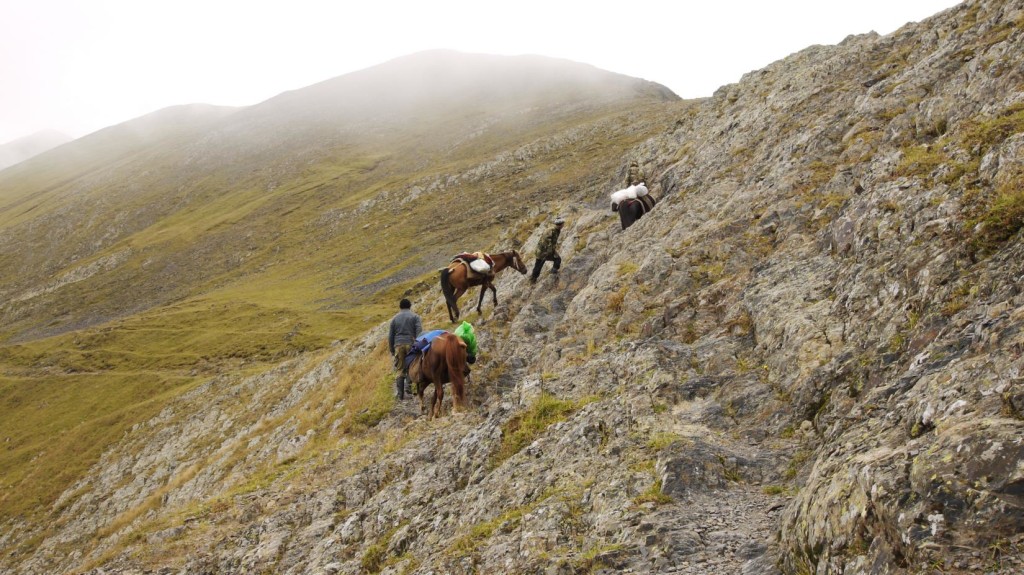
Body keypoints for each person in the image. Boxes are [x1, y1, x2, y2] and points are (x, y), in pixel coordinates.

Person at [388, 298, 422, 400]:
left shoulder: (394, 319)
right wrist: (419, 346)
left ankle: (400, 394)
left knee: (400, 368)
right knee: (411, 366)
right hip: (411, 344)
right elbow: (419, 332)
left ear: (400, 307)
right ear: (410, 306)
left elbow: (390, 336)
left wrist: (392, 349)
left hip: (398, 345)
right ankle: (408, 388)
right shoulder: (415, 317)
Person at [530, 217, 564, 283]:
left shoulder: (557, 230)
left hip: (549, 250)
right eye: (563, 224)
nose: (563, 225)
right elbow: (546, 240)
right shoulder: (550, 230)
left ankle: (553, 273)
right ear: (560, 224)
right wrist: (549, 251)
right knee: (539, 265)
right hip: (542, 251)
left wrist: (551, 250)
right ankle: (533, 280)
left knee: (557, 259)